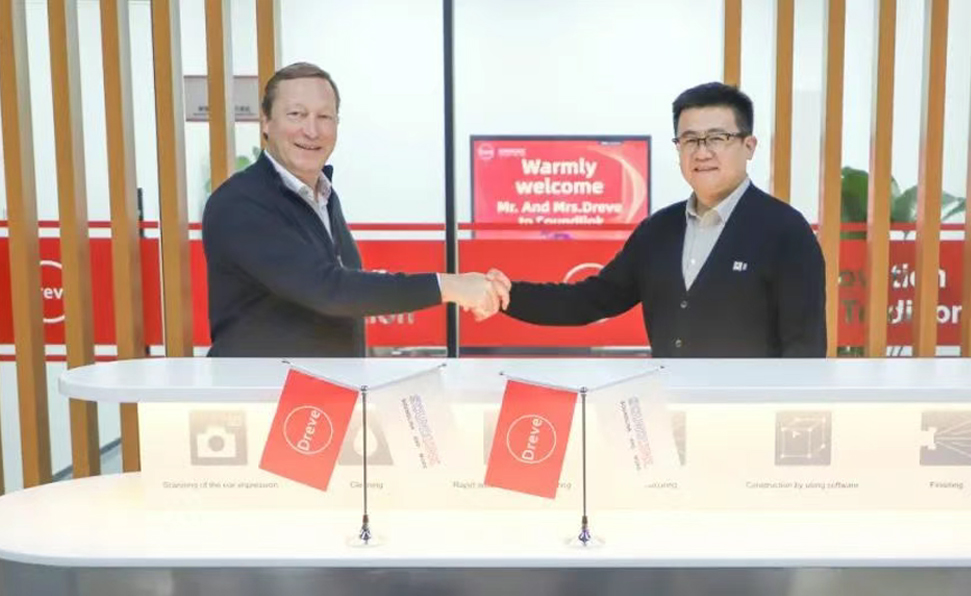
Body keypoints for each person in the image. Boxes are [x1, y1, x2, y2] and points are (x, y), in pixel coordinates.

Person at [493, 82, 826, 357]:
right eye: (690, 140)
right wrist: (500, 294)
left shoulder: (786, 232)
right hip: (669, 408)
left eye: (717, 138)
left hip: (745, 412)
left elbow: (804, 350)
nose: (702, 152)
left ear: (749, 146)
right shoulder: (658, 231)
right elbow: (589, 300)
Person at [203, 62, 507, 357]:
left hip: (318, 388)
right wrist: (449, 286)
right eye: (296, 114)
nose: (311, 130)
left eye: (324, 116)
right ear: (266, 122)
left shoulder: (321, 195)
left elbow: (344, 288)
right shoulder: (240, 203)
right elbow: (329, 290)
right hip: (262, 389)